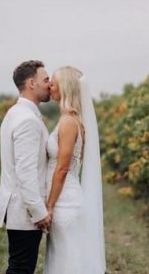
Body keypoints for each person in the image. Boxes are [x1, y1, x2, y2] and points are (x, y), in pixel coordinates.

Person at [44, 66, 106, 274]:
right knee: (67, 256)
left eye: (53, 81)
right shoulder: (70, 120)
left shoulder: (69, 122)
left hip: (64, 201)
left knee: (67, 261)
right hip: (66, 196)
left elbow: (62, 168)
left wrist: (49, 206)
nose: (50, 85)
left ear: (65, 87)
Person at [0, 60, 52, 274]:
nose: (50, 84)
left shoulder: (15, 112)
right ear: (31, 83)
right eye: (45, 80)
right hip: (25, 209)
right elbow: (25, 171)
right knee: (21, 268)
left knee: (21, 267)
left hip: (20, 207)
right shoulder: (27, 119)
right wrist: (39, 211)